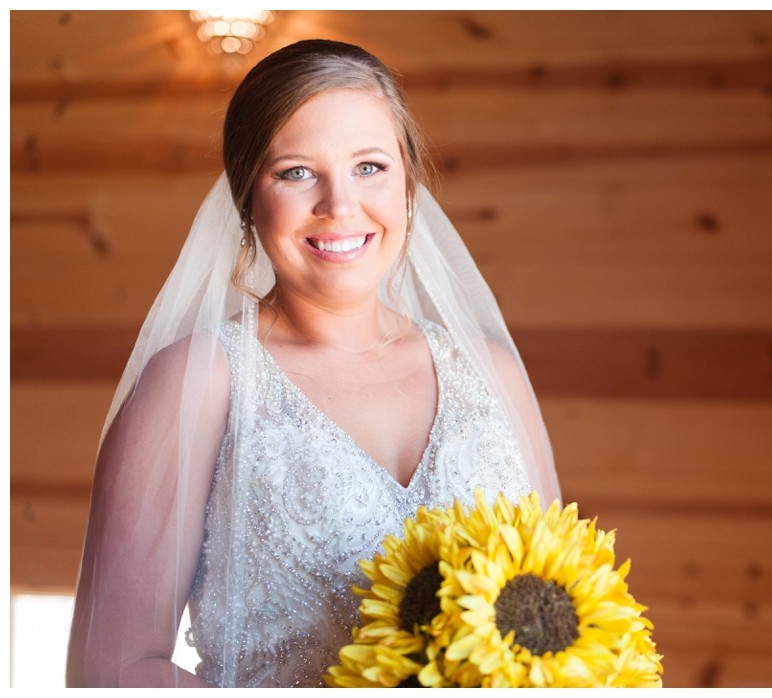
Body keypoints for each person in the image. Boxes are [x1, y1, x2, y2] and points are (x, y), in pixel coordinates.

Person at [65, 39, 560, 688]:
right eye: (296, 172)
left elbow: (564, 602)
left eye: (369, 167)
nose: (339, 206)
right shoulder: (199, 383)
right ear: (247, 200)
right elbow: (113, 670)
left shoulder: (489, 373)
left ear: (408, 185)